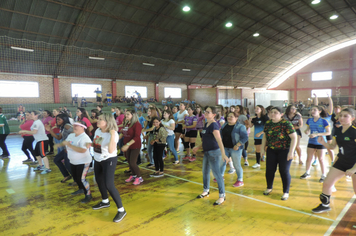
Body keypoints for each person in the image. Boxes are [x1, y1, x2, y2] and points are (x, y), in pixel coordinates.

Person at [312, 108, 356, 213]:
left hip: (354, 164)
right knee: (327, 183)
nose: (341, 118)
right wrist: (323, 143)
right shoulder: (336, 130)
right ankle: (325, 205)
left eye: (345, 116)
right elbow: (332, 146)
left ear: (352, 118)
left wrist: (354, 168)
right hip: (341, 162)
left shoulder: (354, 132)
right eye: (340, 115)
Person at [91, 113, 126, 223]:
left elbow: (111, 150)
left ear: (107, 122)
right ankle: (105, 201)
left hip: (109, 160)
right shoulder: (98, 131)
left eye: (101, 119)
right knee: (99, 181)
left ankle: (121, 210)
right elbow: (96, 145)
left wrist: (111, 135)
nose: (98, 120)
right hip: (98, 159)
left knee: (109, 185)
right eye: (99, 118)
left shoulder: (113, 133)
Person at [192, 106, 230, 205]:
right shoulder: (206, 124)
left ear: (213, 115)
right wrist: (198, 147)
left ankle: (222, 195)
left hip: (214, 153)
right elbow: (205, 140)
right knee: (205, 172)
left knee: (217, 175)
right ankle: (206, 190)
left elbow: (219, 140)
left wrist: (223, 154)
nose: (205, 113)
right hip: (207, 152)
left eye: (208, 112)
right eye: (205, 111)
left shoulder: (214, 125)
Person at [260, 107, 297, 200]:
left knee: (284, 171)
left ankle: (286, 192)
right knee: (269, 170)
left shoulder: (286, 124)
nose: (272, 114)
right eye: (271, 112)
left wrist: (291, 152)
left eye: (275, 112)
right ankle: (269, 187)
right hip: (271, 150)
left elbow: (294, 137)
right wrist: (262, 149)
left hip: (285, 150)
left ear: (281, 114)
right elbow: (265, 136)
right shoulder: (268, 123)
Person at [59, 121, 93, 203]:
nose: (74, 127)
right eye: (74, 125)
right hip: (73, 161)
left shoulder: (85, 138)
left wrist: (70, 146)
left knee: (82, 179)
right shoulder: (71, 135)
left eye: (77, 126)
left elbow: (83, 150)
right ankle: (81, 189)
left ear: (83, 127)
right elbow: (66, 143)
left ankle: (88, 195)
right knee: (76, 178)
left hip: (83, 162)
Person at [300, 106, 331, 182]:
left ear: (319, 111)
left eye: (315, 110)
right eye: (311, 109)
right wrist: (306, 131)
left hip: (321, 142)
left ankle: (323, 175)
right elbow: (308, 129)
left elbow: (328, 132)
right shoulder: (309, 120)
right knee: (309, 158)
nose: (312, 111)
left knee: (321, 159)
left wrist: (317, 134)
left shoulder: (324, 121)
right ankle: (307, 173)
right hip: (311, 142)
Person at [220, 112, 248, 187]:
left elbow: (245, 138)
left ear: (236, 118)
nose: (229, 117)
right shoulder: (225, 125)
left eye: (231, 116)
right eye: (228, 116)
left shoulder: (240, 126)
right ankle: (220, 176)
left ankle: (240, 180)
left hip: (235, 149)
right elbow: (221, 135)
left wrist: (238, 144)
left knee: (236, 164)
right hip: (225, 147)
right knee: (222, 162)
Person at [47, 114, 73, 183]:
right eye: (57, 119)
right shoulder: (63, 127)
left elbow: (76, 134)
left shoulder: (67, 126)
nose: (57, 121)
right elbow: (59, 137)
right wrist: (50, 130)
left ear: (64, 119)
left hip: (69, 149)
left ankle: (76, 180)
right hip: (65, 148)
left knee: (68, 165)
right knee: (56, 160)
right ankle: (66, 175)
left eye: (59, 119)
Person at [120, 110, 143, 185]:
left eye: (128, 114)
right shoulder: (126, 123)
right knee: (129, 162)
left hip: (135, 146)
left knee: (133, 162)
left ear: (133, 115)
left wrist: (127, 144)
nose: (126, 115)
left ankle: (139, 177)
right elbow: (123, 133)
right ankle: (133, 175)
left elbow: (137, 137)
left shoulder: (137, 124)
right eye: (125, 114)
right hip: (127, 146)